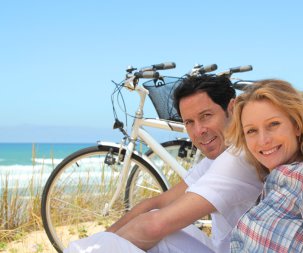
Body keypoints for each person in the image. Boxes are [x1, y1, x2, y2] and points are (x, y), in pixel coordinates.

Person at [64, 75, 262, 253]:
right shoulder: (220, 156)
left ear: (231, 108)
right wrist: (104, 240)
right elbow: (155, 204)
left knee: (151, 228)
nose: (198, 131)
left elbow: (154, 225)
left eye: (206, 116)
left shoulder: (237, 159)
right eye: (189, 122)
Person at [225, 79, 303, 252]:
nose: (263, 140)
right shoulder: (272, 187)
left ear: (297, 126)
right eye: (251, 131)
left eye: (273, 124)